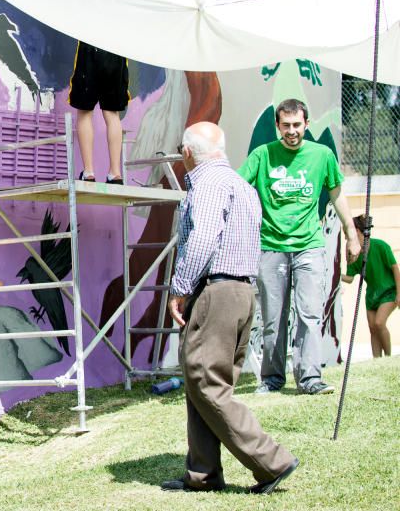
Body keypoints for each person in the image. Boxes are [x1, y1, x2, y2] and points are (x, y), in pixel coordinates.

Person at [162, 122, 298, 494]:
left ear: (188, 152)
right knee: (204, 381)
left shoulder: (206, 184)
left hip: (217, 291)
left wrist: (180, 287)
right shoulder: (242, 185)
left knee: (205, 381)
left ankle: (272, 462)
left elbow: (204, 237)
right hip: (242, 291)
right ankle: (203, 474)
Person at [238, 98, 360, 395]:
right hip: (271, 246)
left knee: (309, 313)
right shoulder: (262, 155)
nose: (291, 131)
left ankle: (310, 379)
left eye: (297, 125)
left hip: (309, 245)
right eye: (286, 125)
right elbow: (238, 187)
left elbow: (336, 193)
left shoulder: (322, 155)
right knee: (273, 317)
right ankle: (272, 379)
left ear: (306, 123)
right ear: (277, 126)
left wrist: (351, 232)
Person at [68, 40, 129, 184]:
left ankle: (88, 172)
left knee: (84, 111)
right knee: (112, 114)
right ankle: (115, 173)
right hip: (116, 49)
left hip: (90, 43)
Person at [342, 215, 399, 357]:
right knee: (372, 327)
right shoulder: (354, 253)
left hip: (389, 291)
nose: (345, 238)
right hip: (372, 295)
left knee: (379, 323)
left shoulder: (380, 245)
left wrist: (399, 293)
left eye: (346, 233)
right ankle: (376, 360)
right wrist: (333, 274)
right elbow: (349, 278)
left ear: (356, 230)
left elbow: (395, 269)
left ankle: (388, 358)